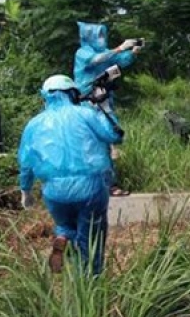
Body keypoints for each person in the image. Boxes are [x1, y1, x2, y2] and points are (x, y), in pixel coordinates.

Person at [18, 75, 125, 275]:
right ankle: (89, 285)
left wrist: (26, 191)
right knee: (91, 238)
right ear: (73, 93)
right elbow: (114, 136)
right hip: (90, 186)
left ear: (45, 97)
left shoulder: (33, 124)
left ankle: (64, 237)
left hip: (53, 190)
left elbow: (25, 162)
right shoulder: (86, 114)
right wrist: (104, 107)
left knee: (65, 224)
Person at [73, 21, 140, 197]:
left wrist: (132, 52)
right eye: (99, 35)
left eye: (103, 35)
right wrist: (119, 48)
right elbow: (97, 60)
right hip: (87, 104)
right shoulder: (83, 53)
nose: (102, 39)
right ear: (89, 37)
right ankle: (90, 185)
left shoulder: (106, 52)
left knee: (107, 143)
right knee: (88, 146)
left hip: (103, 103)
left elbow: (120, 61)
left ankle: (110, 184)